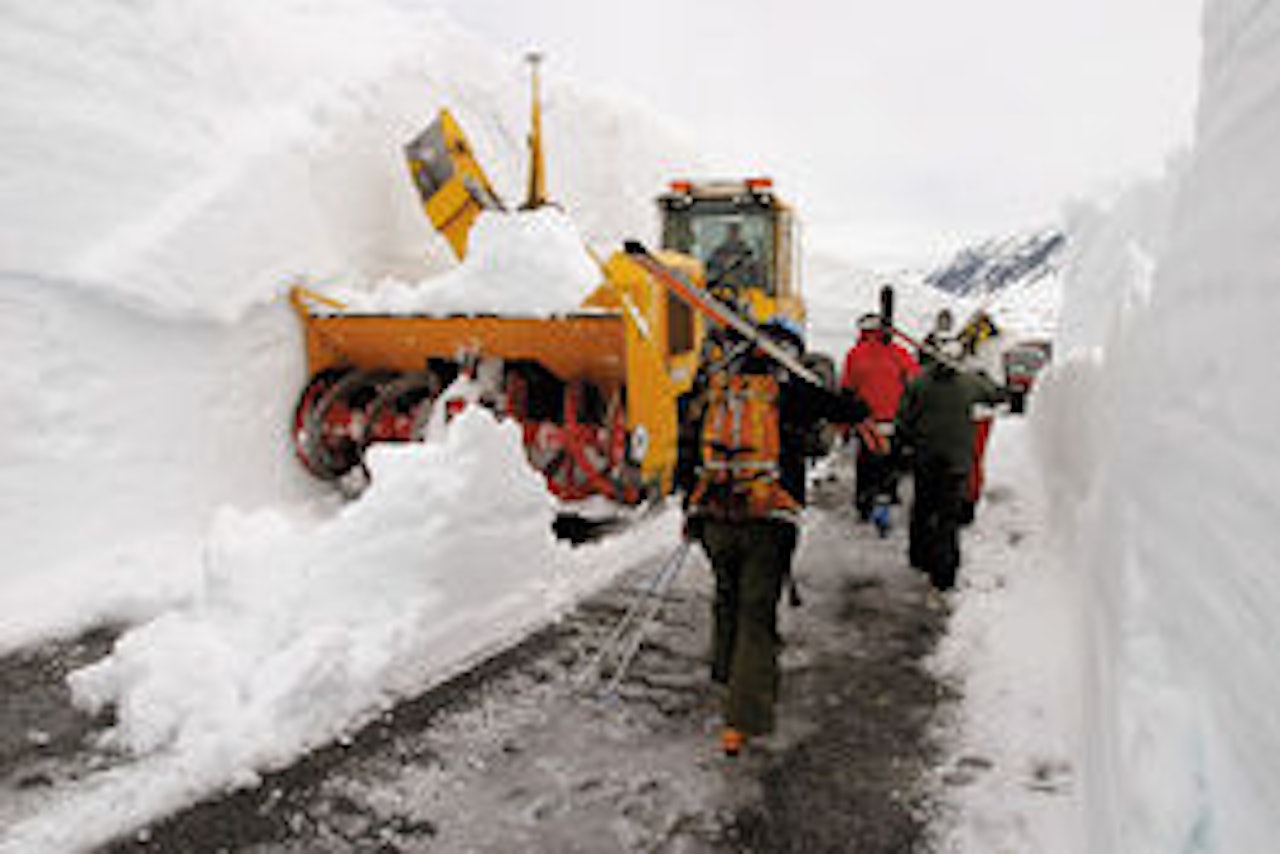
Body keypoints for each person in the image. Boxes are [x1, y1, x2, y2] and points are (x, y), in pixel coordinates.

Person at [677, 316, 868, 755]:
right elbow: (849, 411)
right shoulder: (790, 390)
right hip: (768, 517)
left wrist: (691, 508)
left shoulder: (715, 390)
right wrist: (849, 399)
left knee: (726, 596)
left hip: (714, 515)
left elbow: (687, 450)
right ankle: (742, 717)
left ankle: (726, 676)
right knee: (757, 613)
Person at [893, 339, 1006, 592]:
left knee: (922, 508)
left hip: (925, 458)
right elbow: (997, 394)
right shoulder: (969, 383)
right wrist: (982, 375)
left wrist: (901, 447)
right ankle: (944, 572)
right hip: (956, 462)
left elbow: (903, 419)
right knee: (947, 517)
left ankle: (919, 557)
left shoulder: (919, 382)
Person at [840, 313, 920, 523]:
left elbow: (847, 389)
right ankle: (889, 494)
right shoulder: (900, 352)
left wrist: (846, 426)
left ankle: (865, 503)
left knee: (866, 461)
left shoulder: (855, 354)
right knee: (891, 459)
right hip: (894, 417)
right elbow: (915, 380)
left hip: (868, 420)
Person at [705, 222, 762, 291]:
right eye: (732, 231)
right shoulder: (718, 253)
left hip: (744, 294)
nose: (733, 235)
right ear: (728, 233)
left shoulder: (747, 254)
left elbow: (756, 280)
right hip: (720, 293)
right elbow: (709, 275)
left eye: (735, 232)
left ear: (739, 233)